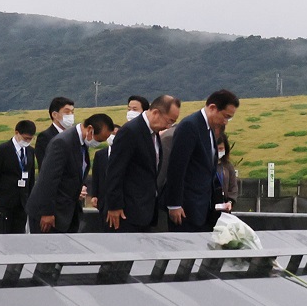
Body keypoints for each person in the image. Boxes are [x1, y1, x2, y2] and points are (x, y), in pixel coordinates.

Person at [104, 95, 182, 232]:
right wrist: (114, 206)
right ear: (156, 113)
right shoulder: (130, 131)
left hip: (146, 212)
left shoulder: (153, 133)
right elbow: (115, 171)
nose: (169, 126)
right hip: (127, 213)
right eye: (169, 121)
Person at [26, 113, 114, 233]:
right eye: (99, 140)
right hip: (50, 214)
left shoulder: (81, 143)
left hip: (68, 212)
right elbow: (48, 179)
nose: (98, 144)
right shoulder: (62, 142)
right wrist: (47, 212)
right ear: (90, 130)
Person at [164, 90, 238, 232]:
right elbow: (176, 168)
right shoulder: (190, 126)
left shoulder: (209, 130)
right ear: (212, 108)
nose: (225, 122)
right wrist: (174, 204)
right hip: (186, 209)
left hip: (203, 209)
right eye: (225, 116)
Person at [0, 121, 37, 234]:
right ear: (17, 133)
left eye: (30, 139)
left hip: (22, 202)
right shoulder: (1, 150)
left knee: (19, 233)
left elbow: (31, 176)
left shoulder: (30, 151)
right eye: (25, 138)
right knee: (3, 232)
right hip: (5, 201)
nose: (27, 141)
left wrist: (31, 198)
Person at [35, 96, 75, 172]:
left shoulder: (74, 136)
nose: (70, 115)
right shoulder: (45, 137)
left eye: (72, 112)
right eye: (67, 112)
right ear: (55, 115)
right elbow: (45, 167)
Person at [214, 133, 239, 212]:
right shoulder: (205, 165)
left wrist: (230, 201)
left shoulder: (228, 166)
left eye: (221, 149)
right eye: (216, 149)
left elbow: (233, 187)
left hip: (224, 208)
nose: (219, 152)